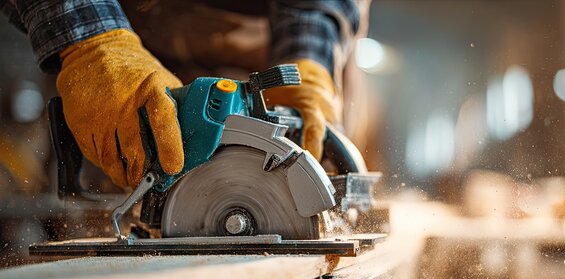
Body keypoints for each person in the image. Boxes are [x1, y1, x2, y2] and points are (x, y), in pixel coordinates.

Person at [0, 0, 367, 188]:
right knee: (125, 168)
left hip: (264, 42)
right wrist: (89, 40)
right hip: (116, 42)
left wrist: (309, 54)